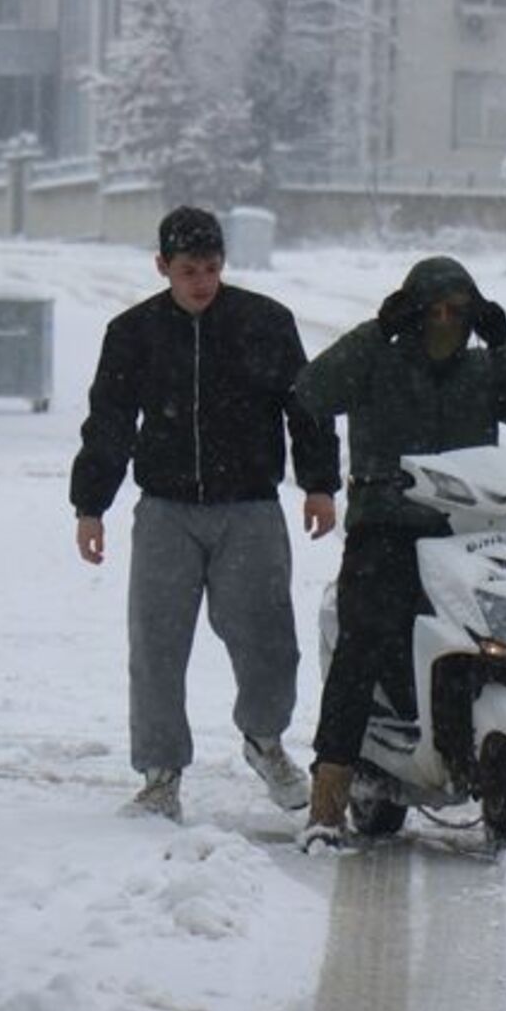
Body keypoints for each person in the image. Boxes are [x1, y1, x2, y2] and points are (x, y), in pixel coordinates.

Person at [292, 255, 506, 849]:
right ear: (410, 312)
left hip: (471, 532)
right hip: (385, 532)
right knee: (362, 642)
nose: (445, 321)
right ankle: (327, 803)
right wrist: (376, 329)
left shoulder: (484, 369)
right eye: (432, 310)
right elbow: (311, 390)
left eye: (458, 312)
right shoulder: (376, 361)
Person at [70, 206, 341, 823]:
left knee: (268, 642)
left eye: (212, 268)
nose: (201, 282)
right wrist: (91, 505)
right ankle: (160, 775)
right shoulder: (133, 333)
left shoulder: (265, 323)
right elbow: (109, 424)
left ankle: (265, 740)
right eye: (188, 270)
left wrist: (320, 485)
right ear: (162, 266)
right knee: (157, 645)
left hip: (250, 508)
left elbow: (307, 408)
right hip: (166, 511)